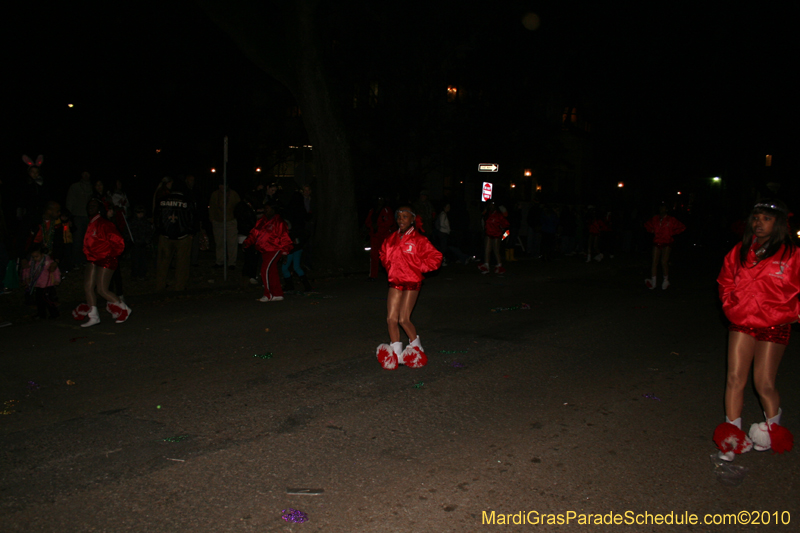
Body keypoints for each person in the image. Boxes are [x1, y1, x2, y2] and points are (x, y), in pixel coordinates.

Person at [713, 200, 796, 462]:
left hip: (774, 323)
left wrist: (790, 311)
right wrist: (731, 306)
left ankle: (771, 431)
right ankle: (732, 439)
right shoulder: (740, 251)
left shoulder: (792, 254)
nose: (759, 223)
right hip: (742, 321)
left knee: (764, 384)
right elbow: (725, 281)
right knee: (734, 379)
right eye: (756, 218)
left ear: (778, 223)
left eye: (766, 219)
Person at [375, 206, 442, 370]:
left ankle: (417, 348)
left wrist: (418, 267)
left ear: (412, 219)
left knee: (404, 319)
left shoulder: (419, 240)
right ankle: (396, 354)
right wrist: (390, 266)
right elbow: (382, 253)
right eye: (399, 217)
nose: (401, 220)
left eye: (405, 217)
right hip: (395, 281)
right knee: (391, 319)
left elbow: (436, 257)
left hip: (412, 282)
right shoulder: (391, 238)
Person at [72, 198, 130, 327]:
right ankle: (93, 316)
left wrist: (109, 254)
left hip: (105, 259)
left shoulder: (104, 223)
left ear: (99, 208)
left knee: (102, 289)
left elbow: (119, 242)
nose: (91, 207)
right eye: (89, 205)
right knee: (88, 287)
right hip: (92, 258)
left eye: (94, 205)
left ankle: (124, 309)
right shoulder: (92, 222)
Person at [243, 200, 293, 302]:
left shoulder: (279, 222)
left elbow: (284, 236)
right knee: (271, 271)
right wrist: (247, 242)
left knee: (264, 270)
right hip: (264, 249)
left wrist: (284, 251)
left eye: (267, 209)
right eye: (264, 208)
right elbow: (254, 233)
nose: (265, 211)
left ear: (273, 210)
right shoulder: (262, 221)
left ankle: (268, 294)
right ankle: (277, 293)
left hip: (275, 249)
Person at [154, 181, 197, 291]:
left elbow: (157, 218)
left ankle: (160, 285)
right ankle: (179, 287)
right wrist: (191, 232)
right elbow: (192, 218)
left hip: (165, 236)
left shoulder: (162, 200)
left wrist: (159, 231)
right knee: (182, 263)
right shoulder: (188, 201)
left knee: (162, 263)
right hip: (183, 237)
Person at [644, 203, 686, 290]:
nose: (661, 209)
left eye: (663, 208)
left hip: (667, 242)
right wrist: (652, 230)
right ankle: (653, 282)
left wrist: (671, 233)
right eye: (660, 208)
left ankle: (665, 280)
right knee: (654, 262)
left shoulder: (671, 219)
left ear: (666, 209)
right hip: (657, 241)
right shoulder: (655, 218)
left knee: (664, 262)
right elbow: (647, 225)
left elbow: (681, 227)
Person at [22, 244, 61, 319]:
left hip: (48, 285)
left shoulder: (48, 262)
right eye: (33, 257)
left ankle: (54, 314)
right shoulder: (32, 263)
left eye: (37, 256)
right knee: (39, 301)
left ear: (42, 254)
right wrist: (26, 278)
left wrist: (57, 280)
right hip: (38, 285)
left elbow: (56, 271)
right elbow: (27, 270)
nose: (35, 258)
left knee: (49, 301)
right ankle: (41, 314)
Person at [209, 182, 240, 269]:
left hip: (230, 221)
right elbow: (211, 206)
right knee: (219, 242)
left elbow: (239, 207)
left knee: (232, 243)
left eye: (223, 185)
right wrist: (212, 218)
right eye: (220, 185)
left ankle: (232, 263)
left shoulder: (233, 194)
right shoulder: (215, 194)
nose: (222, 187)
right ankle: (220, 261)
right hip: (218, 221)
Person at [65, 171, 93, 267]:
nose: (86, 175)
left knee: (88, 240)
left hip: (90, 217)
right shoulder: (75, 186)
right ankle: (76, 261)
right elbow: (69, 201)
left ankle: (86, 260)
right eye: (84, 173)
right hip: (77, 216)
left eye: (87, 173)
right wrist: (68, 216)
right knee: (77, 239)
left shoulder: (92, 187)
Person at [365, 196, 395, 280]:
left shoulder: (386, 210)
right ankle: (373, 275)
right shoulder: (372, 210)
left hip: (384, 236)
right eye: (378, 199)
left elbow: (390, 222)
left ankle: (391, 275)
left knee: (386, 256)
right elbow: (367, 222)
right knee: (373, 255)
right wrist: (372, 227)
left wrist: (378, 226)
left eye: (381, 199)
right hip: (374, 236)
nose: (380, 201)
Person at [478, 201, 509, 274]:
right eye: (490, 206)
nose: (491, 207)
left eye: (493, 206)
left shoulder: (499, 215)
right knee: (487, 249)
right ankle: (486, 265)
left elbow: (505, 224)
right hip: (488, 233)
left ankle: (499, 265)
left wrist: (501, 231)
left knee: (496, 250)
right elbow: (483, 221)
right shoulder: (487, 214)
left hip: (496, 234)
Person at [128, 205, 153, 281]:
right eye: (138, 212)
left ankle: (142, 275)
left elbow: (149, 233)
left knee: (143, 261)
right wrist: (131, 241)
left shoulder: (146, 222)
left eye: (142, 212)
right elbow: (127, 233)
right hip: (134, 245)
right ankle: (134, 275)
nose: (140, 214)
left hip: (143, 245)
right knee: (135, 261)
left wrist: (147, 241)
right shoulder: (131, 222)